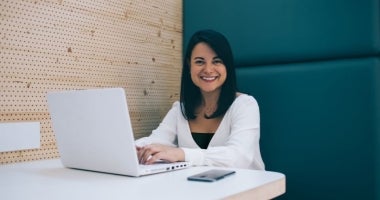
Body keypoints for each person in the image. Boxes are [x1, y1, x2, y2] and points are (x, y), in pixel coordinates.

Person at [135, 29, 265, 170]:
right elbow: (155, 141)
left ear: (227, 66)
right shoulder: (180, 110)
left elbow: (239, 158)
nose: (208, 69)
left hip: (246, 190)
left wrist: (182, 153)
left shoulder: (245, 105)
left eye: (217, 61)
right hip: (201, 189)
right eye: (199, 62)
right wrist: (132, 149)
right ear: (189, 65)